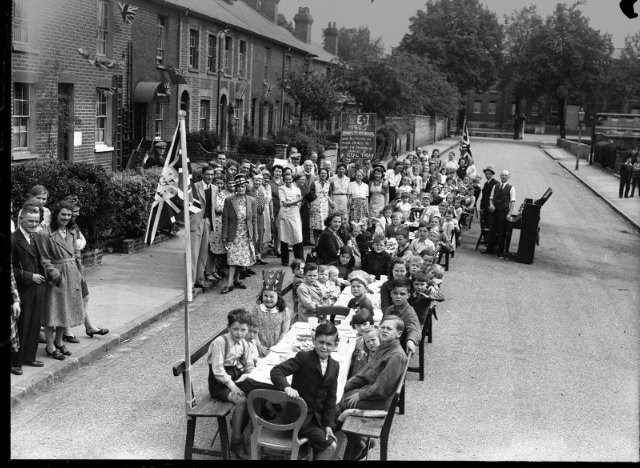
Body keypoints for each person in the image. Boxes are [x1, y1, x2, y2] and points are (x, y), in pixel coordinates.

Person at [337, 315, 408, 461]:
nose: (384, 330)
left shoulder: (396, 356)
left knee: (336, 406)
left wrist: (360, 395)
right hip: (371, 392)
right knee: (336, 396)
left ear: (398, 334)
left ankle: (352, 444)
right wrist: (343, 387)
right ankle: (358, 441)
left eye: (389, 328)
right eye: (382, 327)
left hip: (378, 401)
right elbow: (364, 374)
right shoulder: (384, 348)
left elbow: (382, 389)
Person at [270, 322, 339, 461]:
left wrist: (328, 425)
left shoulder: (335, 366)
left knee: (333, 430)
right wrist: (286, 387)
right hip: (298, 418)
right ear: (314, 340)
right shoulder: (304, 358)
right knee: (331, 446)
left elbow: (331, 398)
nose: (324, 347)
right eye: (321, 342)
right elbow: (277, 371)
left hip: (316, 418)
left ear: (335, 345)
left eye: (329, 344)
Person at [206, 309, 256, 460]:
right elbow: (218, 370)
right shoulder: (220, 342)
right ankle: (236, 442)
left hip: (236, 377)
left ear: (247, 329)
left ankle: (240, 425)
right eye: (235, 329)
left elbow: (249, 365)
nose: (239, 333)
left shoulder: (244, 343)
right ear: (228, 327)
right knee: (242, 400)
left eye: (243, 330)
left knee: (255, 394)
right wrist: (233, 386)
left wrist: (252, 379)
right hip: (219, 383)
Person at [38, 201, 85, 360]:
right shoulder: (45, 234)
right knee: (53, 310)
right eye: (63, 214)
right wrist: (54, 274)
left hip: (72, 273)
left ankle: (59, 341)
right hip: (56, 276)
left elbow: (77, 253)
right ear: (56, 215)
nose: (66, 218)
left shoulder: (72, 231)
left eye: (69, 215)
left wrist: (79, 272)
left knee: (66, 309)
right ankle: (50, 345)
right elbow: (44, 259)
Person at [10, 205, 47, 375]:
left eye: (36, 221)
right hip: (22, 288)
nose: (33, 224)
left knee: (34, 323)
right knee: (21, 324)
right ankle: (15, 362)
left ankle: (29, 357)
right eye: (30, 221)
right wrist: (29, 276)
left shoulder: (35, 237)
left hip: (37, 287)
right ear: (21, 220)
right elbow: (10, 270)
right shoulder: (13, 239)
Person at [221, 174, 258, 294]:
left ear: (246, 187)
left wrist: (255, 234)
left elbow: (254, 219)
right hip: (234, 234)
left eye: (243, 186)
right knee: (232, 260)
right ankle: (229, 283)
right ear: (235, 188)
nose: (241, 189)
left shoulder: (251, 200)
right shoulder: (229, 200)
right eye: (238, 187)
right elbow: (225, 219)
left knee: (242, 260)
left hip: (246, 234)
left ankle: (236, 280)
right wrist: (224, 236)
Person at [250, 270, 290, 356]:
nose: (268, 299)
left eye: (272, 296)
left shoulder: (284, 310)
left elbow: (284, 331)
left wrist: (275, 348)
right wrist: (259, 346)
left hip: (278, 346)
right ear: (262, 296)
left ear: (278, 297)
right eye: (265, 296)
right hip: (259, 346)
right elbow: (253, 330)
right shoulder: (257, 309)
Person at [192, 165, 219, 288]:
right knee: (194, 252)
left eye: (212, 174)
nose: (210, 177)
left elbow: (214, 207)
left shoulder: (215, 188)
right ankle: (191, 282)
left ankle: (199, 279)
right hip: (197, 221)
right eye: (207, 174)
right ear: (203, 174)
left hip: (208, 221)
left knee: (203, 253)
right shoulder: (195, 186)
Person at [383, 278, 420, 354]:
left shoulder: (410, 313)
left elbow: (414, 330)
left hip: (399, 349)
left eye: (402, 294)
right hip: (386, 345)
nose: (398, 296)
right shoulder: (389, 310)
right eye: (395, 293)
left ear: (408, 295)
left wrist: (411, 341)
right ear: (391, 294)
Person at [484, 170, 516, 257]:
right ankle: (490, 249)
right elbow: (490, 198)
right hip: (494, 212)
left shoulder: (511, 188)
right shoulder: (495, 186)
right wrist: (491, 205)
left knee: (501, 231)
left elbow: (512, 202)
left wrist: (509, 214)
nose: (503, 177)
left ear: (508, 176)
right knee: (492, 230)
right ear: (500, 176)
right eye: (502, 175)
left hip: (503, 212)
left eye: (505, 175)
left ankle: (500, 251)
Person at [278, 172, 304, 266]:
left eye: (290, 179)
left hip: (295, 213)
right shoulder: (281, 189)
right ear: (283, 180)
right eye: (286, 180)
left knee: (298, 236)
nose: (288, 181)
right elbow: (284, 203)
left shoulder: (297, 189)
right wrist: (297, 201)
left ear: (292, 179)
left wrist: (297, 203)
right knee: (284, 236)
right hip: (285, 214)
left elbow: (299, 203)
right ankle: (285, 260)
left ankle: (300, 260)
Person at [208, 175, 231, 281]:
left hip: (222, 224)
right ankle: (208, 272)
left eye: (222, 183)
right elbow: (217, 209)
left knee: (217, 251)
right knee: (211, 250)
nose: (220, 186)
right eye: (218, 183)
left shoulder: (222, 194)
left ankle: (214, 271)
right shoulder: (212, 194)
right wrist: (227, 209)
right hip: (214, 223)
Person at [347, 308, 376, 378]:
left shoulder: (373, 337)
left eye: (365, 324)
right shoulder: (360, 335)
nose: (362, 328)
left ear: (370, 322)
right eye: (358, 325)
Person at [309, 167, 333, 244]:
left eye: (325, 173)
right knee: (316, 225)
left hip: (325, 206)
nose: (323, 175)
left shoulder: (329, 184)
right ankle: (316, 242)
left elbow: (329, 195)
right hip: (316, 205)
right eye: (321, 173)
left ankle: (323, 242)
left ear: (327, 175)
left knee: (324, 224)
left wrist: (331, 203)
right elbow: (310, 194)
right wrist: (311, 206)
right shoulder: (315, 183)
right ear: (319, 174)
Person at [296, 160, 317, 245]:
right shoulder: (299, 174)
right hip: (298, 199)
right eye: (307, 165)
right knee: (297, 220)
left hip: (308, 201)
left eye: (310, 166)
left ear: (312, 167)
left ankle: (306, 239)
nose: (308, 167)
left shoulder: (314, 176)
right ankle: (298, 239)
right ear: (303, 166)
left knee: (306, 220)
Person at [479, 166, 499, 230]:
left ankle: (488, 238)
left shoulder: (496, 183)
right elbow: (483, 196)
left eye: (489, 174)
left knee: (489, 225)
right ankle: (485, 238)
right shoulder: (486, 183)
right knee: (484, 224)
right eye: (486, 174)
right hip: (484, 207)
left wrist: (492, 206)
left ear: (492, 174)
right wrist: (481, 207)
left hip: (490, 208)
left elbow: (496, 197)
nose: (487, 175)